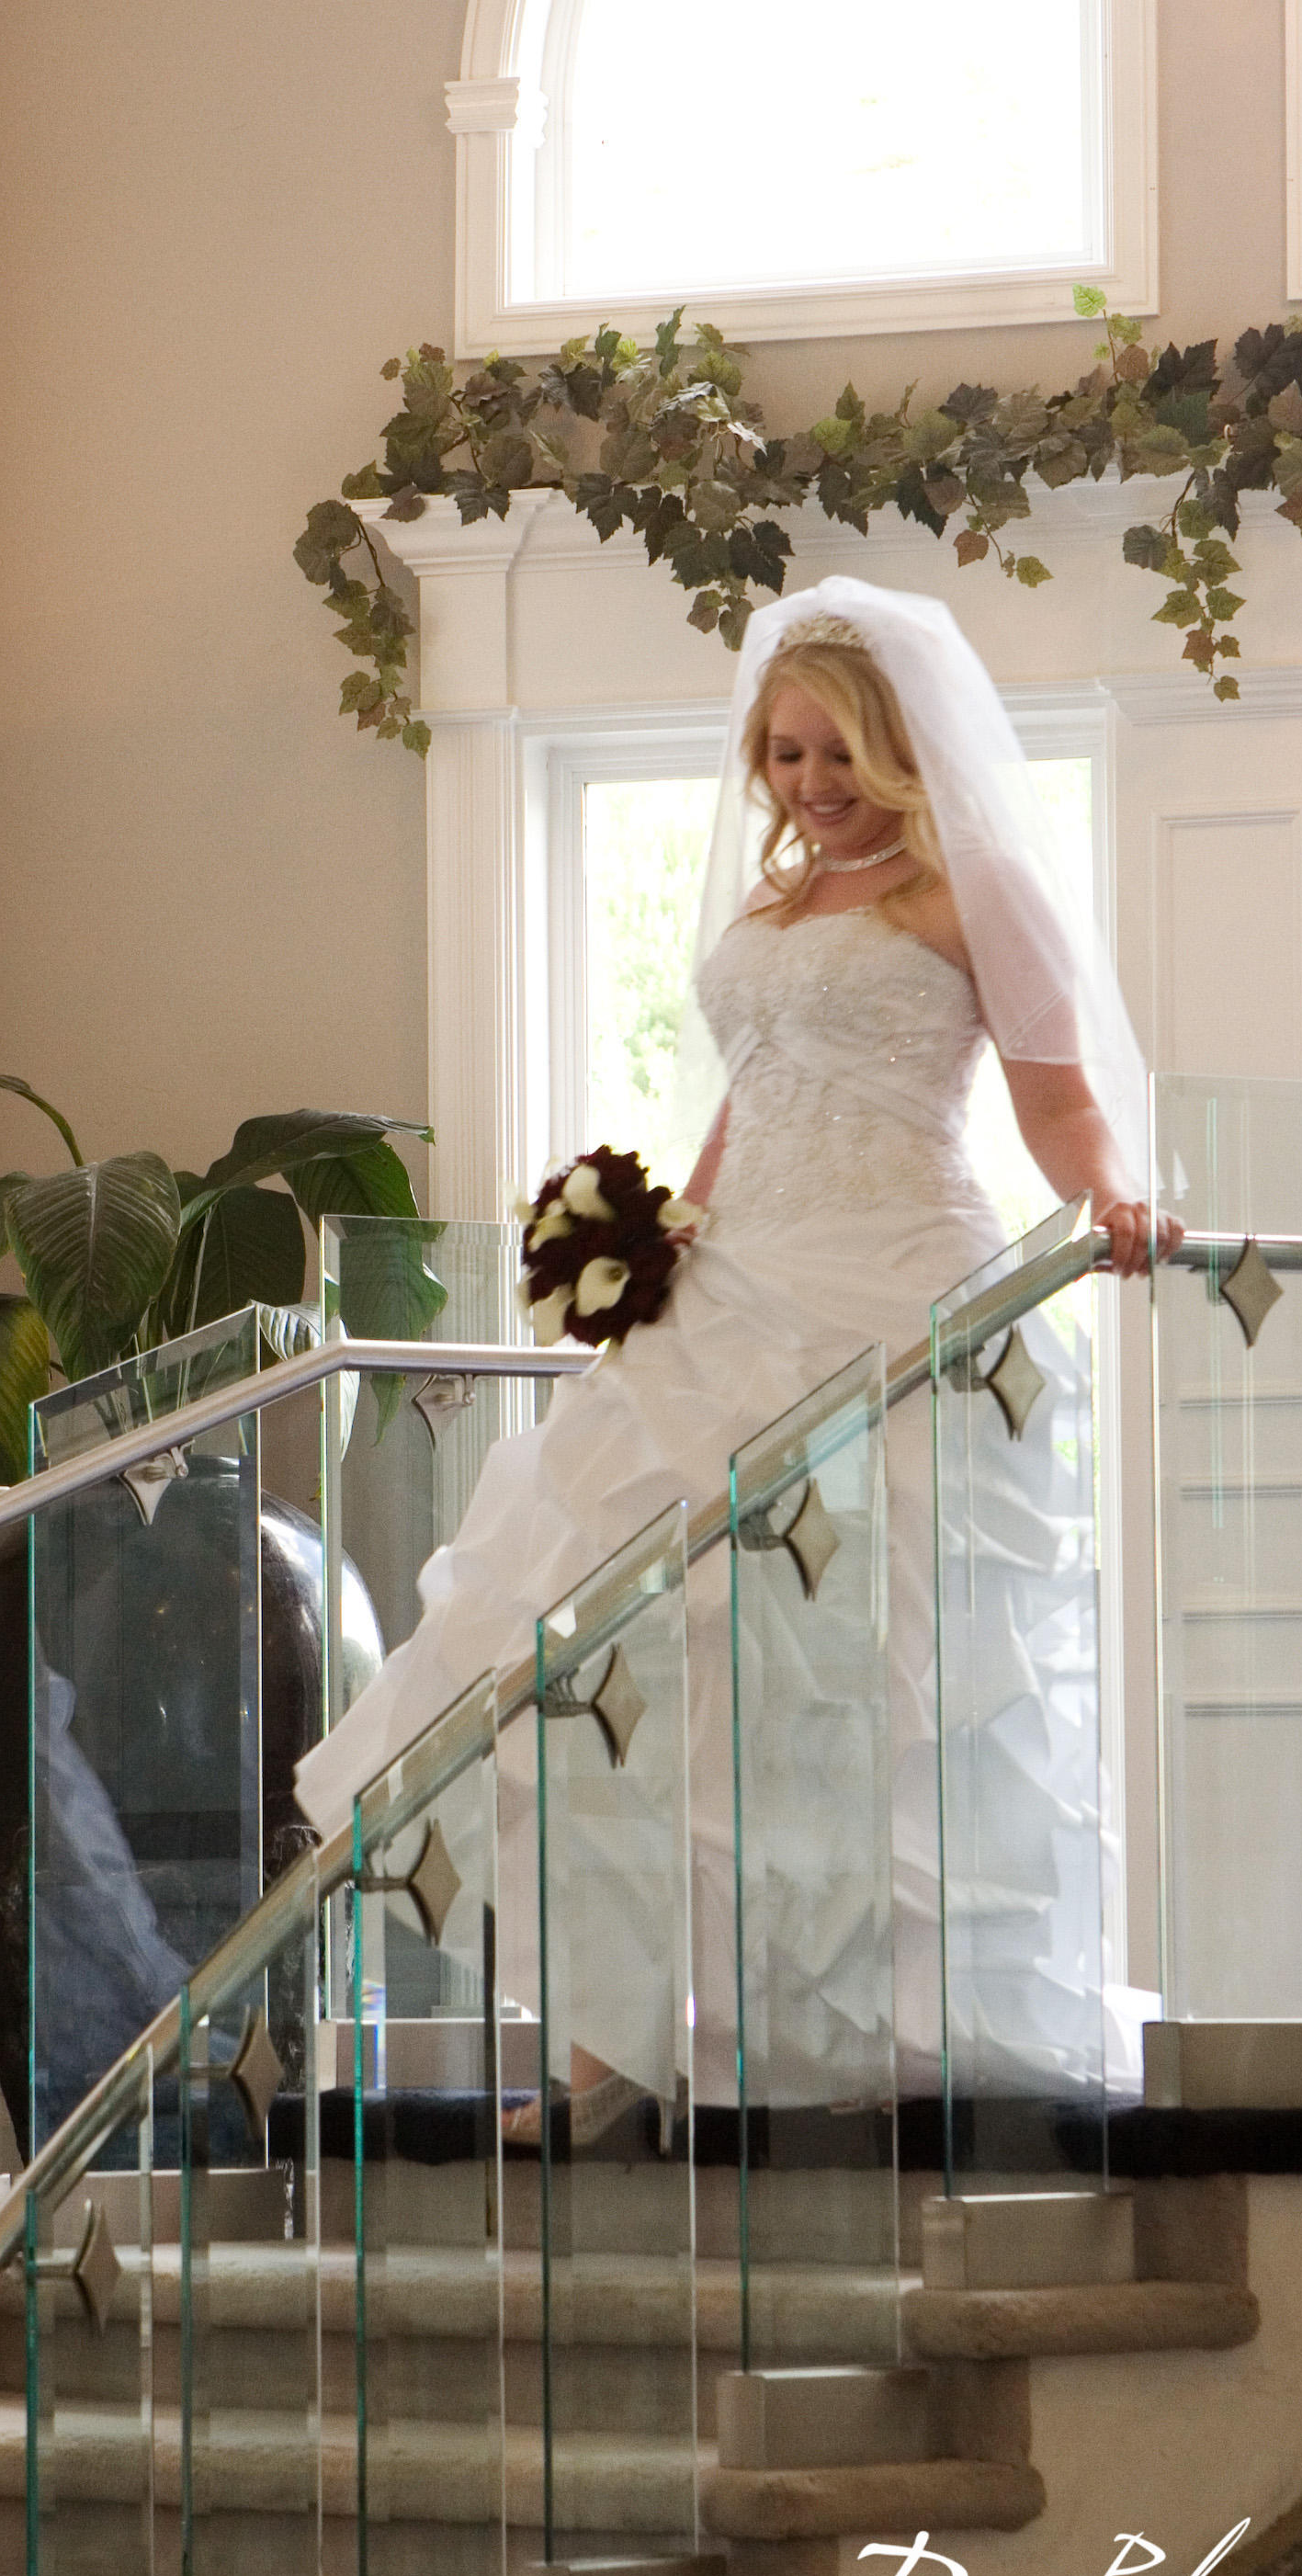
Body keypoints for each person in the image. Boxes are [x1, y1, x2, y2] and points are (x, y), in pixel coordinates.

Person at [294, 575, 1171, 2129]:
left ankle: (852, 2060)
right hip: (735, 1289)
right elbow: (742, 1099)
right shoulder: (773, 914)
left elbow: (1058, 1096)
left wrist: (1112, 1196)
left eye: (838, 754)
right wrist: (651, 1246)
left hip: (893, 1288)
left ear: (900, 749)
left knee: (850, 1687)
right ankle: (609, 2053)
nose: (811, 785)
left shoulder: (973, 891)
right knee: (616, 1645)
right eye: (784, 755)